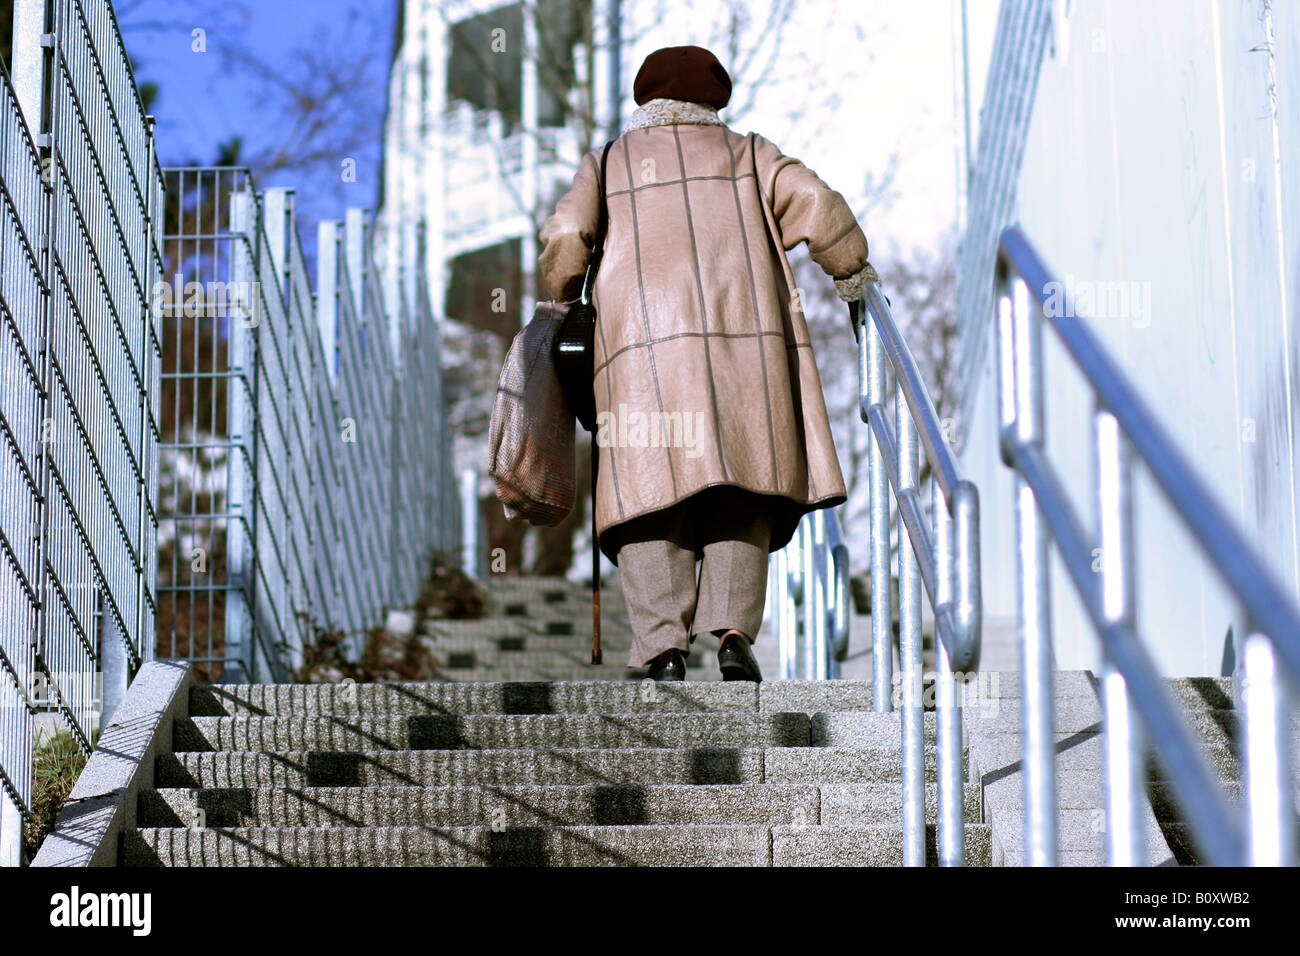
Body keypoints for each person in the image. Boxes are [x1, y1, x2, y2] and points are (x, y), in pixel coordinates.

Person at [538, 45, 873, 681]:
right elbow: (815, 200)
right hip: (747, 350)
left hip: (638, 354)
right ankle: (733, 635)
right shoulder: (749, 153)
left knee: (648, 499)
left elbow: (564, 237)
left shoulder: (607, 162)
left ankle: (663, 648)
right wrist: (852, 270)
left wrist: (560, 297)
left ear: (645, 99)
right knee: (743, 483)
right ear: (713, 98)